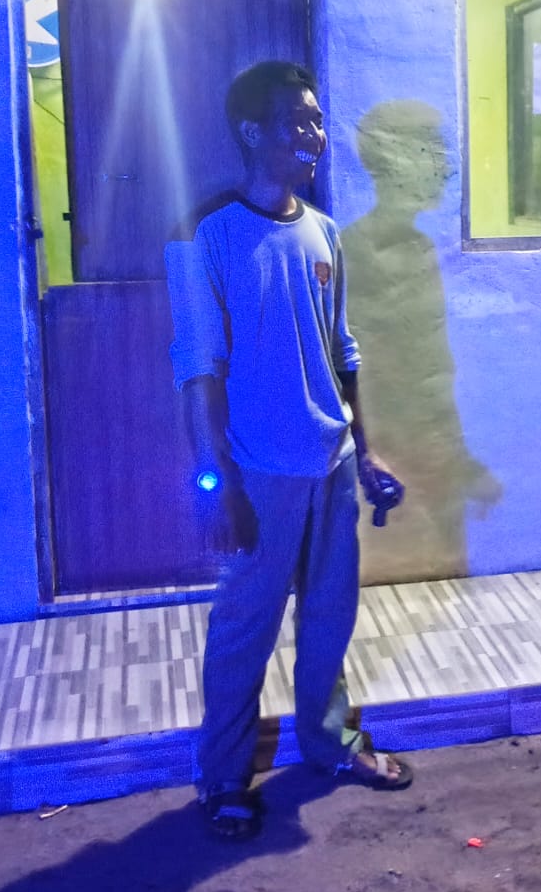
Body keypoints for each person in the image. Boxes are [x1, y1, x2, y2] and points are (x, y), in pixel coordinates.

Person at [167, 60, 412, 841]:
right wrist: (216, 481)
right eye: (296, 121)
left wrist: (366, 451)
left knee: (329, 618)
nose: (314, 135)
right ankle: (224, 775)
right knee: (244, 629)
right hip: (260, 472)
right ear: (251, 131)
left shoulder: (323, 232)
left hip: (330, 463)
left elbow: (344, 352)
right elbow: (198, 365)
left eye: (315, 120)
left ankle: (328, 743)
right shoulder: (207, 233)